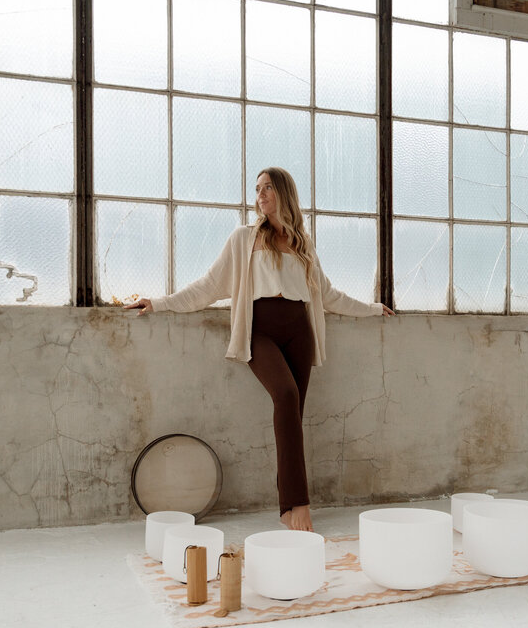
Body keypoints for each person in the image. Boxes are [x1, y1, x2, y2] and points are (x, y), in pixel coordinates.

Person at [126, 167, 394, 532]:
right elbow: (209, 285)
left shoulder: (303, 244)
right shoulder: (243, 238)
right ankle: (297, 504)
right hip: (260, 330)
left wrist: (373, 308)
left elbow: (329, 296)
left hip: (300, 331)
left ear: (283, 192)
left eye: (267, 187)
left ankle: (287, 504)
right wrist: (159, 302)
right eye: (257, 189)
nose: (260, 195)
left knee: (293, 415)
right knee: (285, 395)